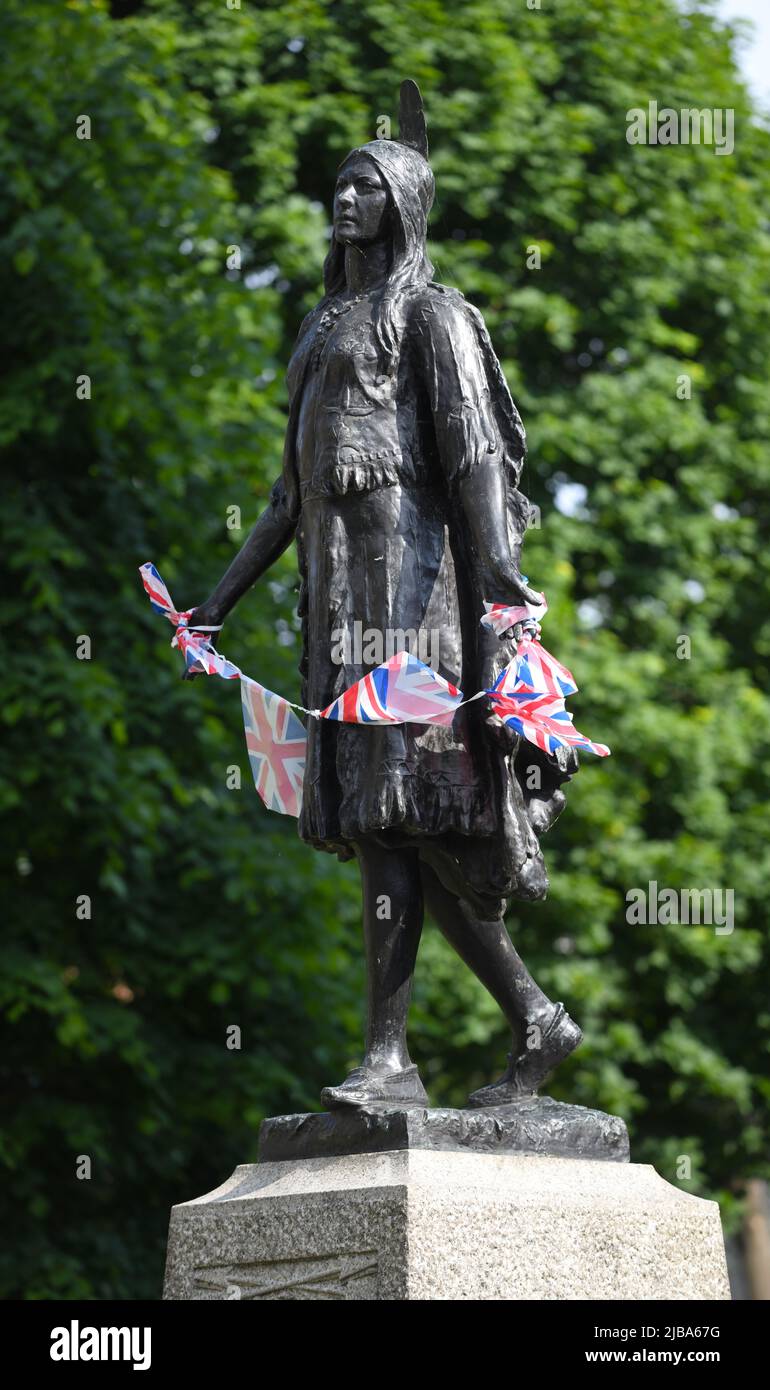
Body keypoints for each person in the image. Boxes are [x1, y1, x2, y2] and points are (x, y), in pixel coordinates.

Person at [184, 85, 583, 1109]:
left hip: (422, 610)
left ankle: (400, 1055)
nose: (346, 199)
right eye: (339, 185)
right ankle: (505, 1027)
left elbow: (476, 455)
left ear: (403, 201)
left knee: (422, 818)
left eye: (366, 184)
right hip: (341, 615)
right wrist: (217, 601)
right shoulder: (322, 329)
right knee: (383, 821)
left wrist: (495, 580)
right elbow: (287, 493)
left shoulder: (432, 316)